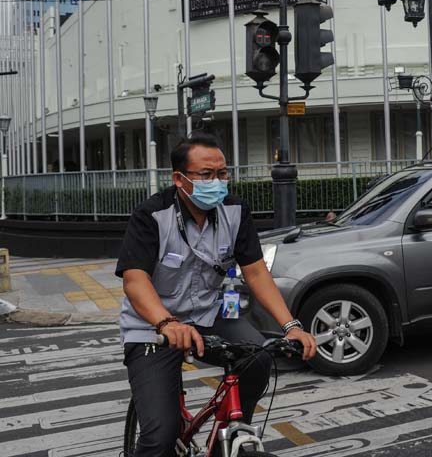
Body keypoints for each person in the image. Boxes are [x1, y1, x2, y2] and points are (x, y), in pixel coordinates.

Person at [116, 134, 316, 457]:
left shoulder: (234, 212)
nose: (217, 182)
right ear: (179, 179)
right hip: (153, 328)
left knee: (258, 357)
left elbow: (255, 272)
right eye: (206, 175)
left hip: (209, 316)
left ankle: (233, 433)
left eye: (222, 173)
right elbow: (135, 281)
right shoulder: (152, 216)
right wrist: (166, 323)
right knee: (159, 437)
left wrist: (291, 325)